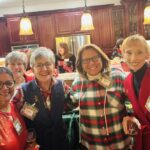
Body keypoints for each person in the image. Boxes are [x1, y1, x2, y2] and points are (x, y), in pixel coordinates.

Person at [70, 44, 131, 149]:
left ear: (102, 58)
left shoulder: (117, 76)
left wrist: (131, 116)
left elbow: (132, 101)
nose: (92, 63)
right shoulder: (77, 83)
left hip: (120, 143)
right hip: (93, 145)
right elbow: (69, 105)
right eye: (86, 60)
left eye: (95, 58)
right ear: (80, 64)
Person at [12, 47, 69, 150]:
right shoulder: (22, 91)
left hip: (61, 141)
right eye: (39, 65)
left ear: (54, 66)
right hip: (36, 145)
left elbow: (72, 104)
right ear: (32, 68)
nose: (44, 69)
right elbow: (12, 117)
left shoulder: (63, 86)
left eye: (48, 64)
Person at [122, 34, 150, 150]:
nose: (133, 58)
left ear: (147, 54)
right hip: (142, 139)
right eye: (129, 52)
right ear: (122, 54)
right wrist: (130, 117)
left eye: (139, 52)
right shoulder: (127, 81)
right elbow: (133, 107)